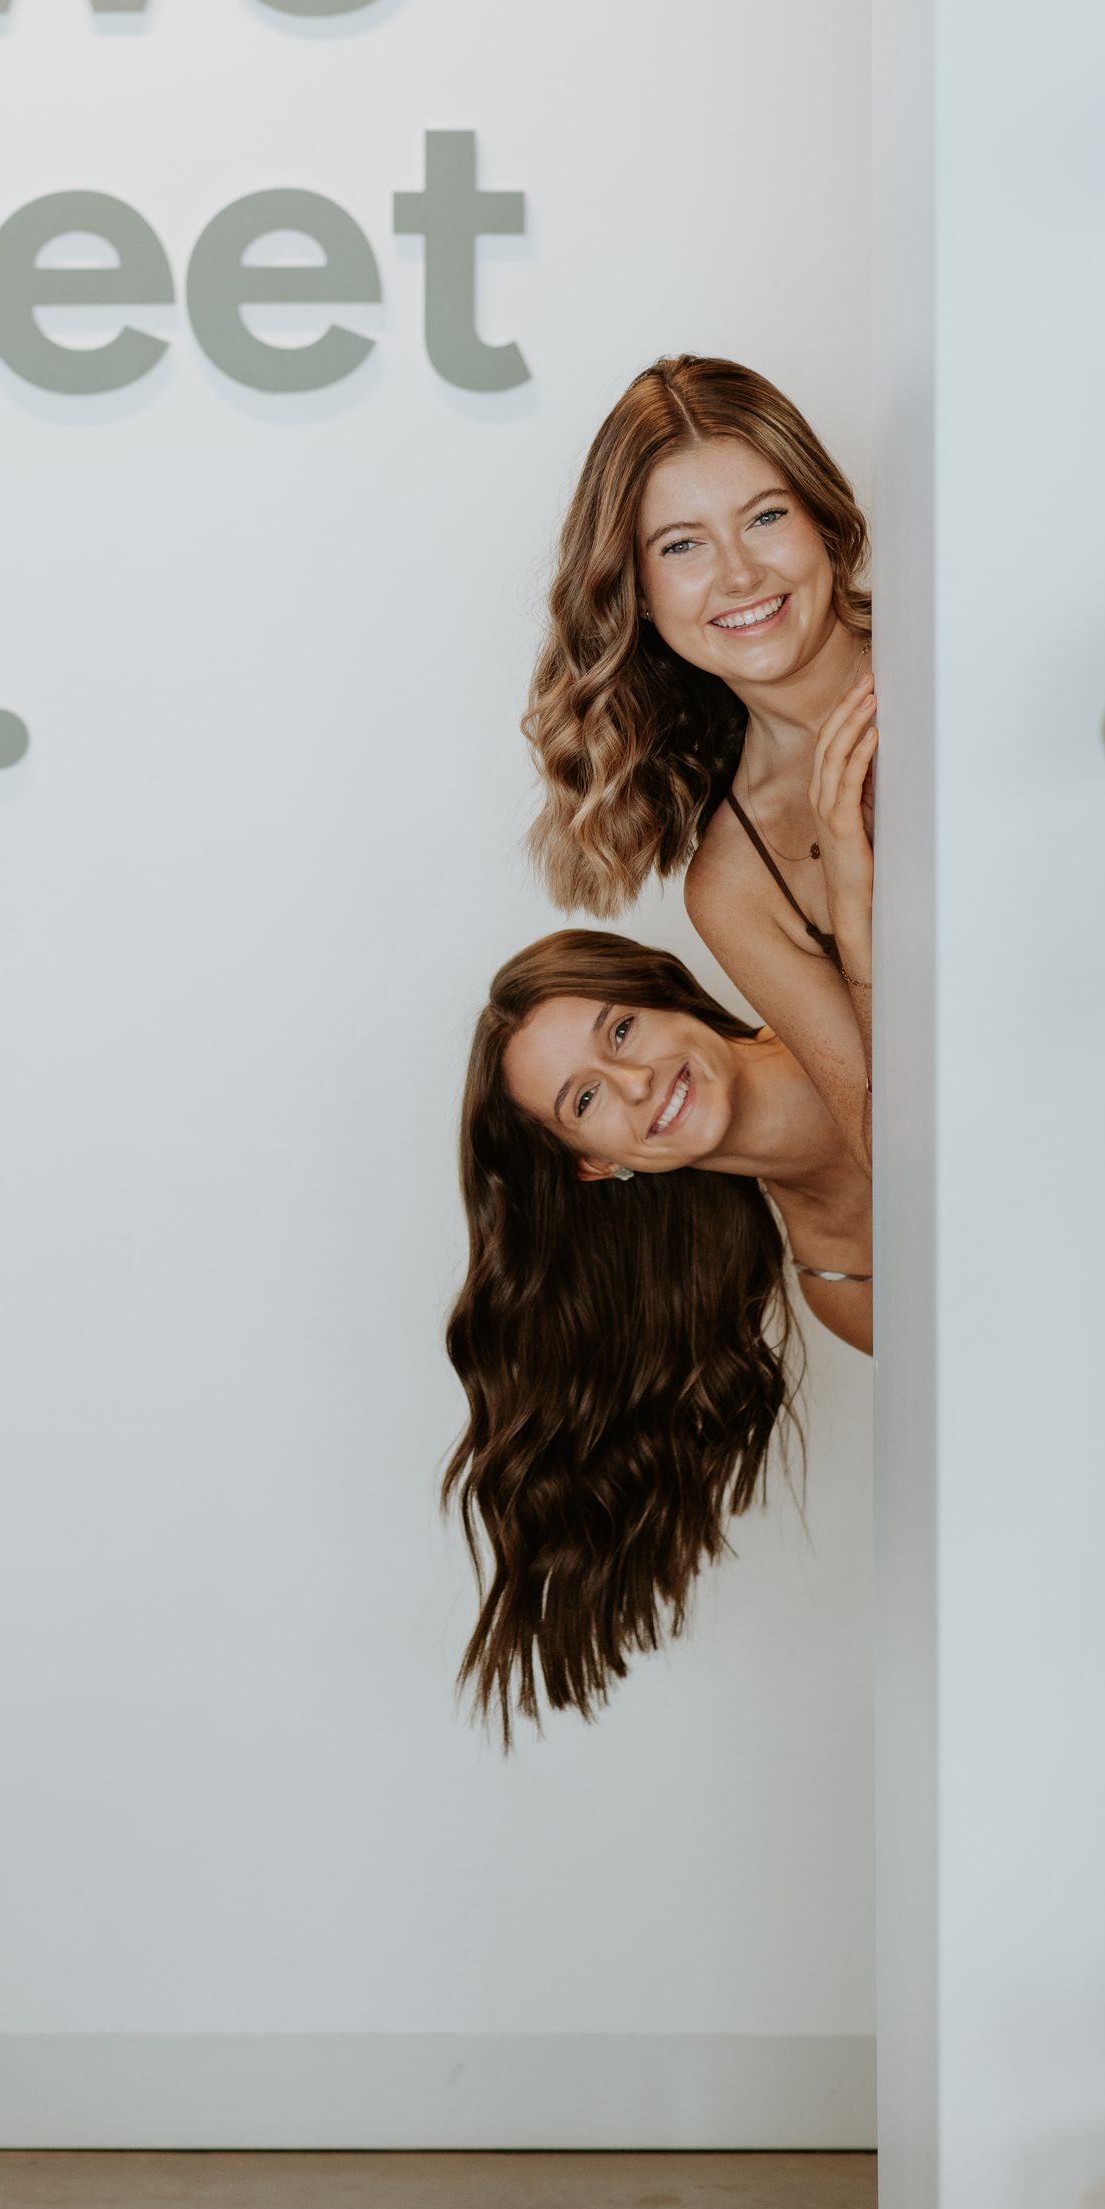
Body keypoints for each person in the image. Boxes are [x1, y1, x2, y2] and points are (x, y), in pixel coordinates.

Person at [444, 929, 870, 1735]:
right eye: (585, 1100)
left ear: (667, 994)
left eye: (621, 1029)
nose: (636, 1083)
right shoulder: (844, 1282)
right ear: (595, 1164)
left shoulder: (852, 982)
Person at [524, 355, 876, 1168]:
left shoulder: (958, 646)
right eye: (683, 545)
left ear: (822, 518)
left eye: (765, 517)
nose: (740, 574)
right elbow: (887, 1151)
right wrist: (852, 906)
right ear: (639, 595)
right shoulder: (735, 884)